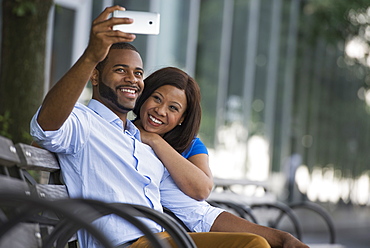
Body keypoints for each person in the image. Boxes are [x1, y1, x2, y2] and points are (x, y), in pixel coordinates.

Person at [30, 5, 309, 248]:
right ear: (95, 75)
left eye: (138, 73)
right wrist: (91, 54)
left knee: (255, 243)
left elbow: (200, 214)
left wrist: (280, 237)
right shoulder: (83, 123)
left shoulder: (142, 144)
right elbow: (45, 127)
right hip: (125, 244)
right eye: (120, 70)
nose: (132, 79)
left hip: (160, 239)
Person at [132, 67, 213, 201]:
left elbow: (202, 190)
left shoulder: (192, 146)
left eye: (173, 108)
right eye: (157, 98)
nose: (160, 111)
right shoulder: (120, 129)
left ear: (182, 118)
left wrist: (155, 141)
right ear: (145, 96)